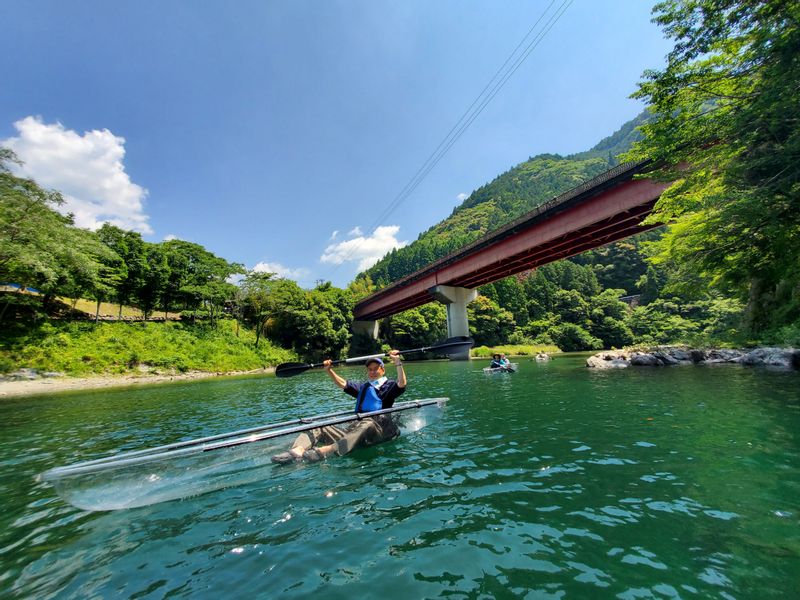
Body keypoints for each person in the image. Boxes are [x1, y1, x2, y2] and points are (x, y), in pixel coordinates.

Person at [271, 350, 407, 463]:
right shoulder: (364, 387)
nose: (372, 372)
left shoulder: (389, 386)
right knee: (319, 426)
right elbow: (343, 384)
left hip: (377, 432)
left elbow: (401, 384)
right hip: (355, 432)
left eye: (375, 369)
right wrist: (329, 371)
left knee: (368, 423)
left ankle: (327, 450)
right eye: (369, 370)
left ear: (382, 370)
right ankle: (298, 450)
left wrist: (398, 363)